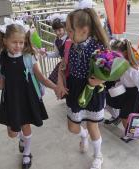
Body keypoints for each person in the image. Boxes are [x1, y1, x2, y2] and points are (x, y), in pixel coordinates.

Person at [0, 19, 58, 169]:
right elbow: (1, 84)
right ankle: (21, 138)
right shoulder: (1, 58)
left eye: (21, 42)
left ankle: (27, 153)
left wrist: (56, 87)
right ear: (5, 41)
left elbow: (41, 77)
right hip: (11, 100)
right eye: (14, 42)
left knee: (25, 125)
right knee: (12, 133)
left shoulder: (29, 56)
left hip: (27, 98)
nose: (18, 46)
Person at [56, 2, 109, 168]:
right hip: (74, 88)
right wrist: (62, 74)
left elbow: (110, 72)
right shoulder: (70, 45)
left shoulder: (99, 47)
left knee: (93, 125)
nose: (67, 33)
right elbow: (65, 64)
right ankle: (83, 135)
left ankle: (98, 155)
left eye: (70, 30)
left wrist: (100, 80)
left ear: (84, 30)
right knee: (72, 127)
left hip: (92, 90)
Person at [110, 39, 139, 143]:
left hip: (135, 94)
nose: (113, 56)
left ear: (124, 53)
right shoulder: (122, 65)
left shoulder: (133, 69)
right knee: (126, 116)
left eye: (115, 54)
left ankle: (132, 134)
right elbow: (123, 79)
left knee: (127, 117)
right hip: (127, 92)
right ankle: (131, 133)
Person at [40, 14, 69, 84]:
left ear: (64, 28)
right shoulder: (56, 41)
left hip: (71, 65)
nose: (57, 33)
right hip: (63, 65)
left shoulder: (70, 38)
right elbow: (56, 54)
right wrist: (46, 54)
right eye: (55, 31)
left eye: (59, 30)